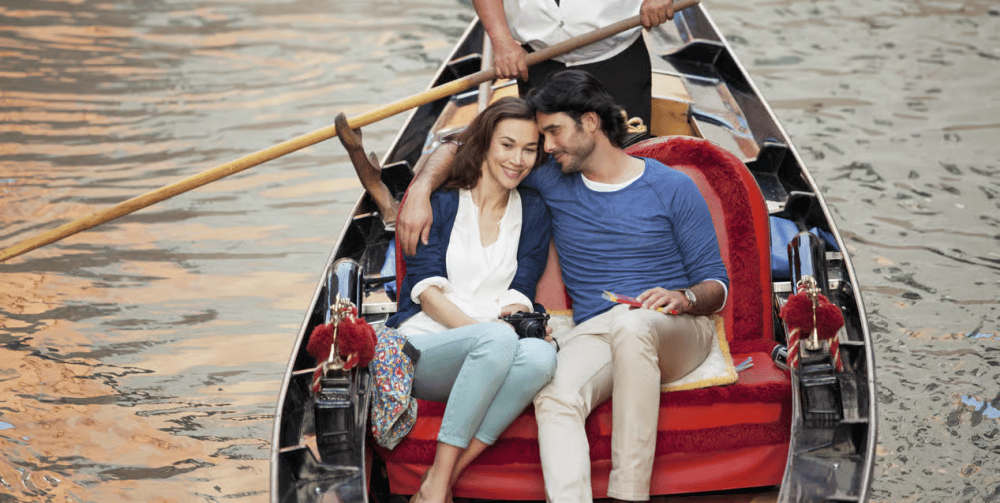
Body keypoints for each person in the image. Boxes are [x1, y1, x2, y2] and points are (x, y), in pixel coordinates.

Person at [396, 70, 729, 502]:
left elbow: (717, 287)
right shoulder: (552, 179)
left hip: (677, 329)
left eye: (553, 132)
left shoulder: (672, 186)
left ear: (589, 123)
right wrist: (421, 188)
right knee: (554, 393)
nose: (545, 148)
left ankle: (630, 496)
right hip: (599, 330)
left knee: (635, 327)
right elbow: (465, 147)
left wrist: (683, 298)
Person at [342, 96, 557, 503]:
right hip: (426, 348)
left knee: (543, 359)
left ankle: (441, 478)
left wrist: (519, 317)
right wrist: (491, 337)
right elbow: (425, 292)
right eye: (507, 145)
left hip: (494, 348)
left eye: (530, 149)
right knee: (498, 342)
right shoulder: (440, 203)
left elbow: (523, 286)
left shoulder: (533, 209)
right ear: (485, 146)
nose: (519, 159)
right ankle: (441, 482)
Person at [472, 0, 678, 129]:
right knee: (547, 166)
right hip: (537, 63)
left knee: (624, 163)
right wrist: (501, 41)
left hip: (617, 61)